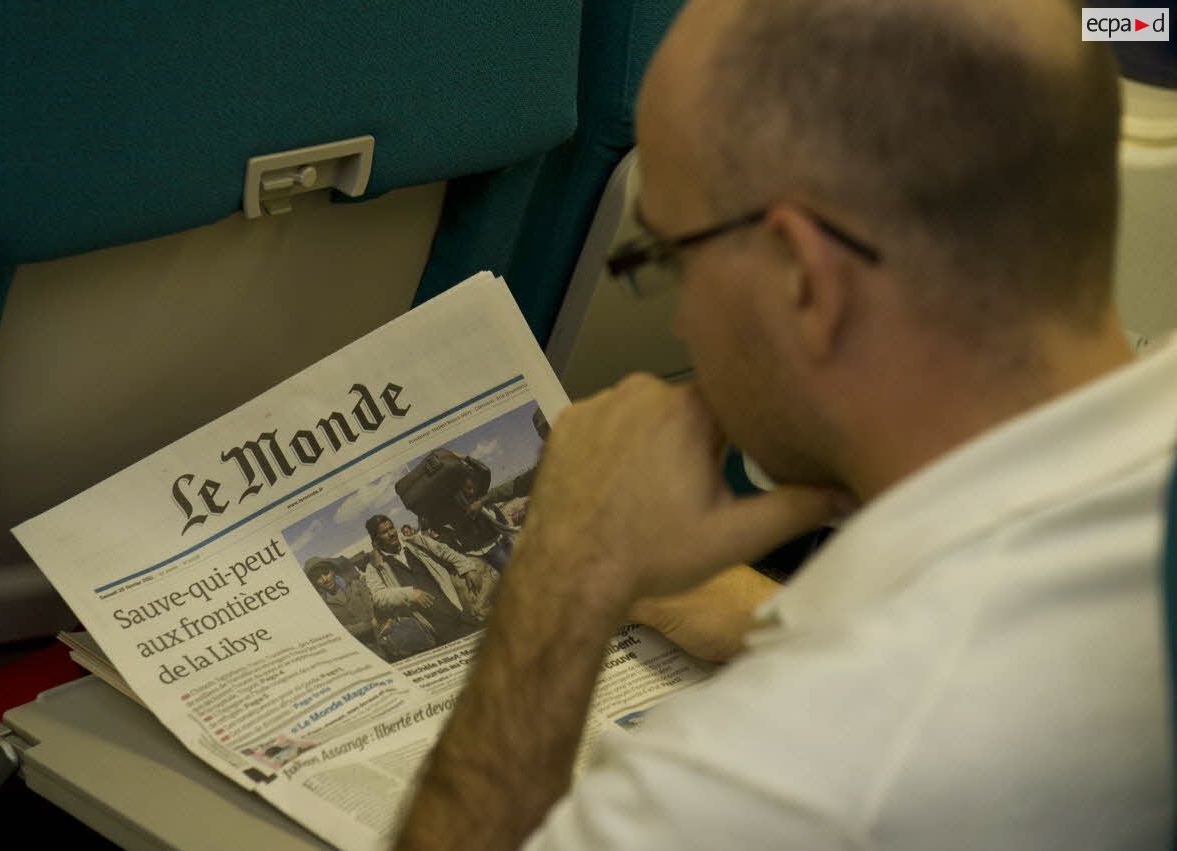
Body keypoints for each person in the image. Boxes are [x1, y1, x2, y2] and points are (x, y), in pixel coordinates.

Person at [395, 1, 1174, 849]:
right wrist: (769, 616)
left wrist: (561, 581)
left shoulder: (814, 771)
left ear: (805, 281)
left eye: (669, 258)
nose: (684, 324)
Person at [360, 515, 497, 649]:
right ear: (376, 540)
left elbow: (445, 552)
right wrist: (411, 594)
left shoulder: (415, 542)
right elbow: (379, 596)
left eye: (391, 528)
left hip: (454, 608)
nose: (391, 533)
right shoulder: (374, 568)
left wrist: (467, 568)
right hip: (428, 625)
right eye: (384, 532)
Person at [304, 556, 385, 658]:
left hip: (383, 637)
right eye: (318, 578)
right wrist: (368, 625)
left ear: (333, 570)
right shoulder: (322, 605)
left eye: (326, 573)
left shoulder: (356, 584)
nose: (324, 579)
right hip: (358, 652)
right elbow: (340, 630)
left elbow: (375, 608)